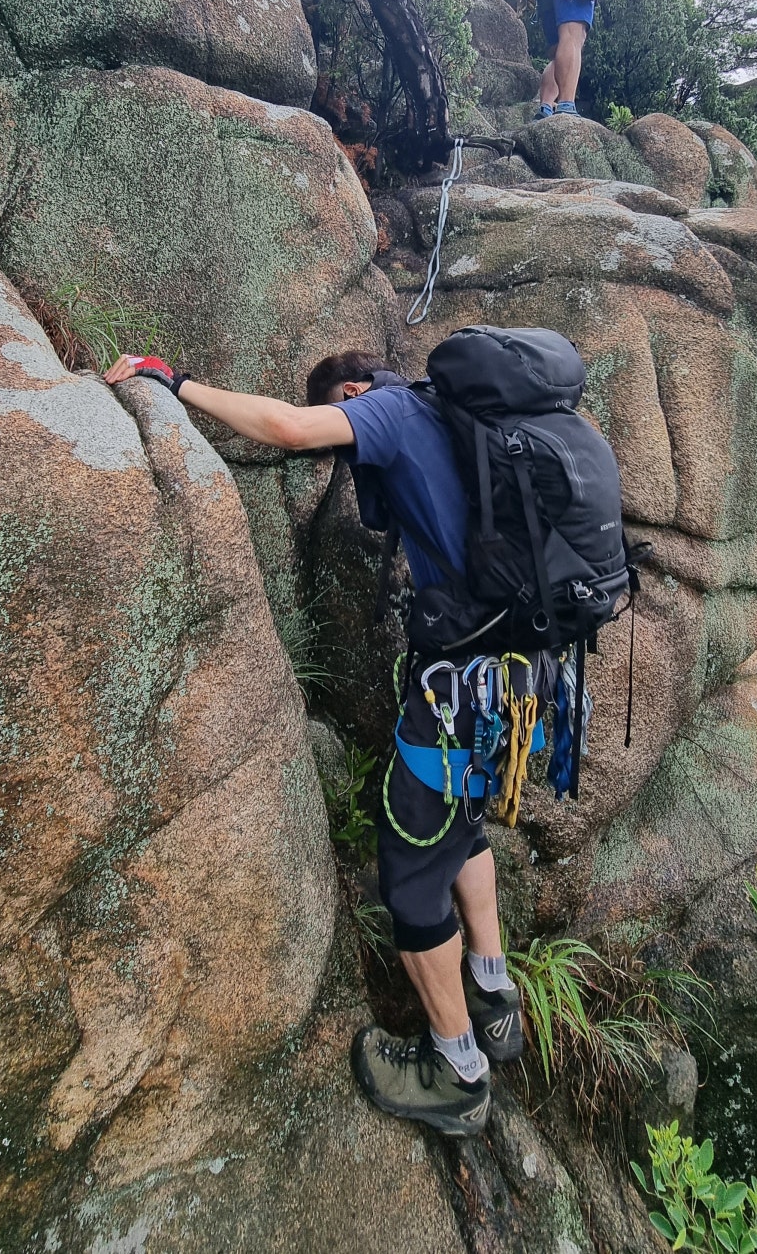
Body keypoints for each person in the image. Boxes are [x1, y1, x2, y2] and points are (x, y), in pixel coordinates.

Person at [104, 347, 551, 1139]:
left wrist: (172, 381)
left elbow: (285, 427)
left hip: (463, 685)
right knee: (464, 823)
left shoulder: (385, 409)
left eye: (345, 428)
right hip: (522, 674)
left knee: (412, 867)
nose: (348, 449)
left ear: (351, 391)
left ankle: (456, 1072)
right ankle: (493, 995)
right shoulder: (450, 413)